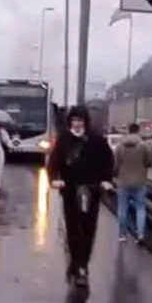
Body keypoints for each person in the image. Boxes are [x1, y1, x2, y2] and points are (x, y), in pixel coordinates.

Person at [47, 105, 114, 288]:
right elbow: (54, 162)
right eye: (74, 120)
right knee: (73, 230)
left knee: (88, 230)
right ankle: (77, 265)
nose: (76, 124)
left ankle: (82, 264)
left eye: (80, 120)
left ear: (85, 121)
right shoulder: (64, 140)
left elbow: (108, 161)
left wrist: (106, 180)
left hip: (92, 191)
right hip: (70, 191)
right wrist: (54, 179)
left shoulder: (97, 140)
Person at [114, 122, 152, 245]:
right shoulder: (144, 146)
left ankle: (122, 234)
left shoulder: (120, 146)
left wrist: (115, 175)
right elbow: (149, 162)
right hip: (140, 182)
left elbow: (116, 164)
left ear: (128, 130)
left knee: (122, 208)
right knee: (140, 208)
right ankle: (140, 234)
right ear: (138, 131)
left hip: (123, 182)